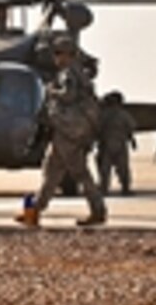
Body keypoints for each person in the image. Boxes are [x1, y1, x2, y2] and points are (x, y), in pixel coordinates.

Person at [16, 36, 106, 227]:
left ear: (69, 55)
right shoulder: (76, 73)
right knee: (52, 171)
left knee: (79, 173)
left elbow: (68, 95)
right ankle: (36, 211)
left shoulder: (69, 74)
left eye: (58, 53)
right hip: (68, 130)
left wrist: (50, 91)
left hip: (69, 131)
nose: (56, 58)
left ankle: (98, 211)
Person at [94, 90, 137, 195]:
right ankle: (125, 188)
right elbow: (131, 128)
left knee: (105, 168)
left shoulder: (103, 114)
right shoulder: (123, 114)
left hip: (107, 144)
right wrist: (132, 141)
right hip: (119, 143)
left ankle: (104, 188)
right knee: (122, 167)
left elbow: (97, 128)